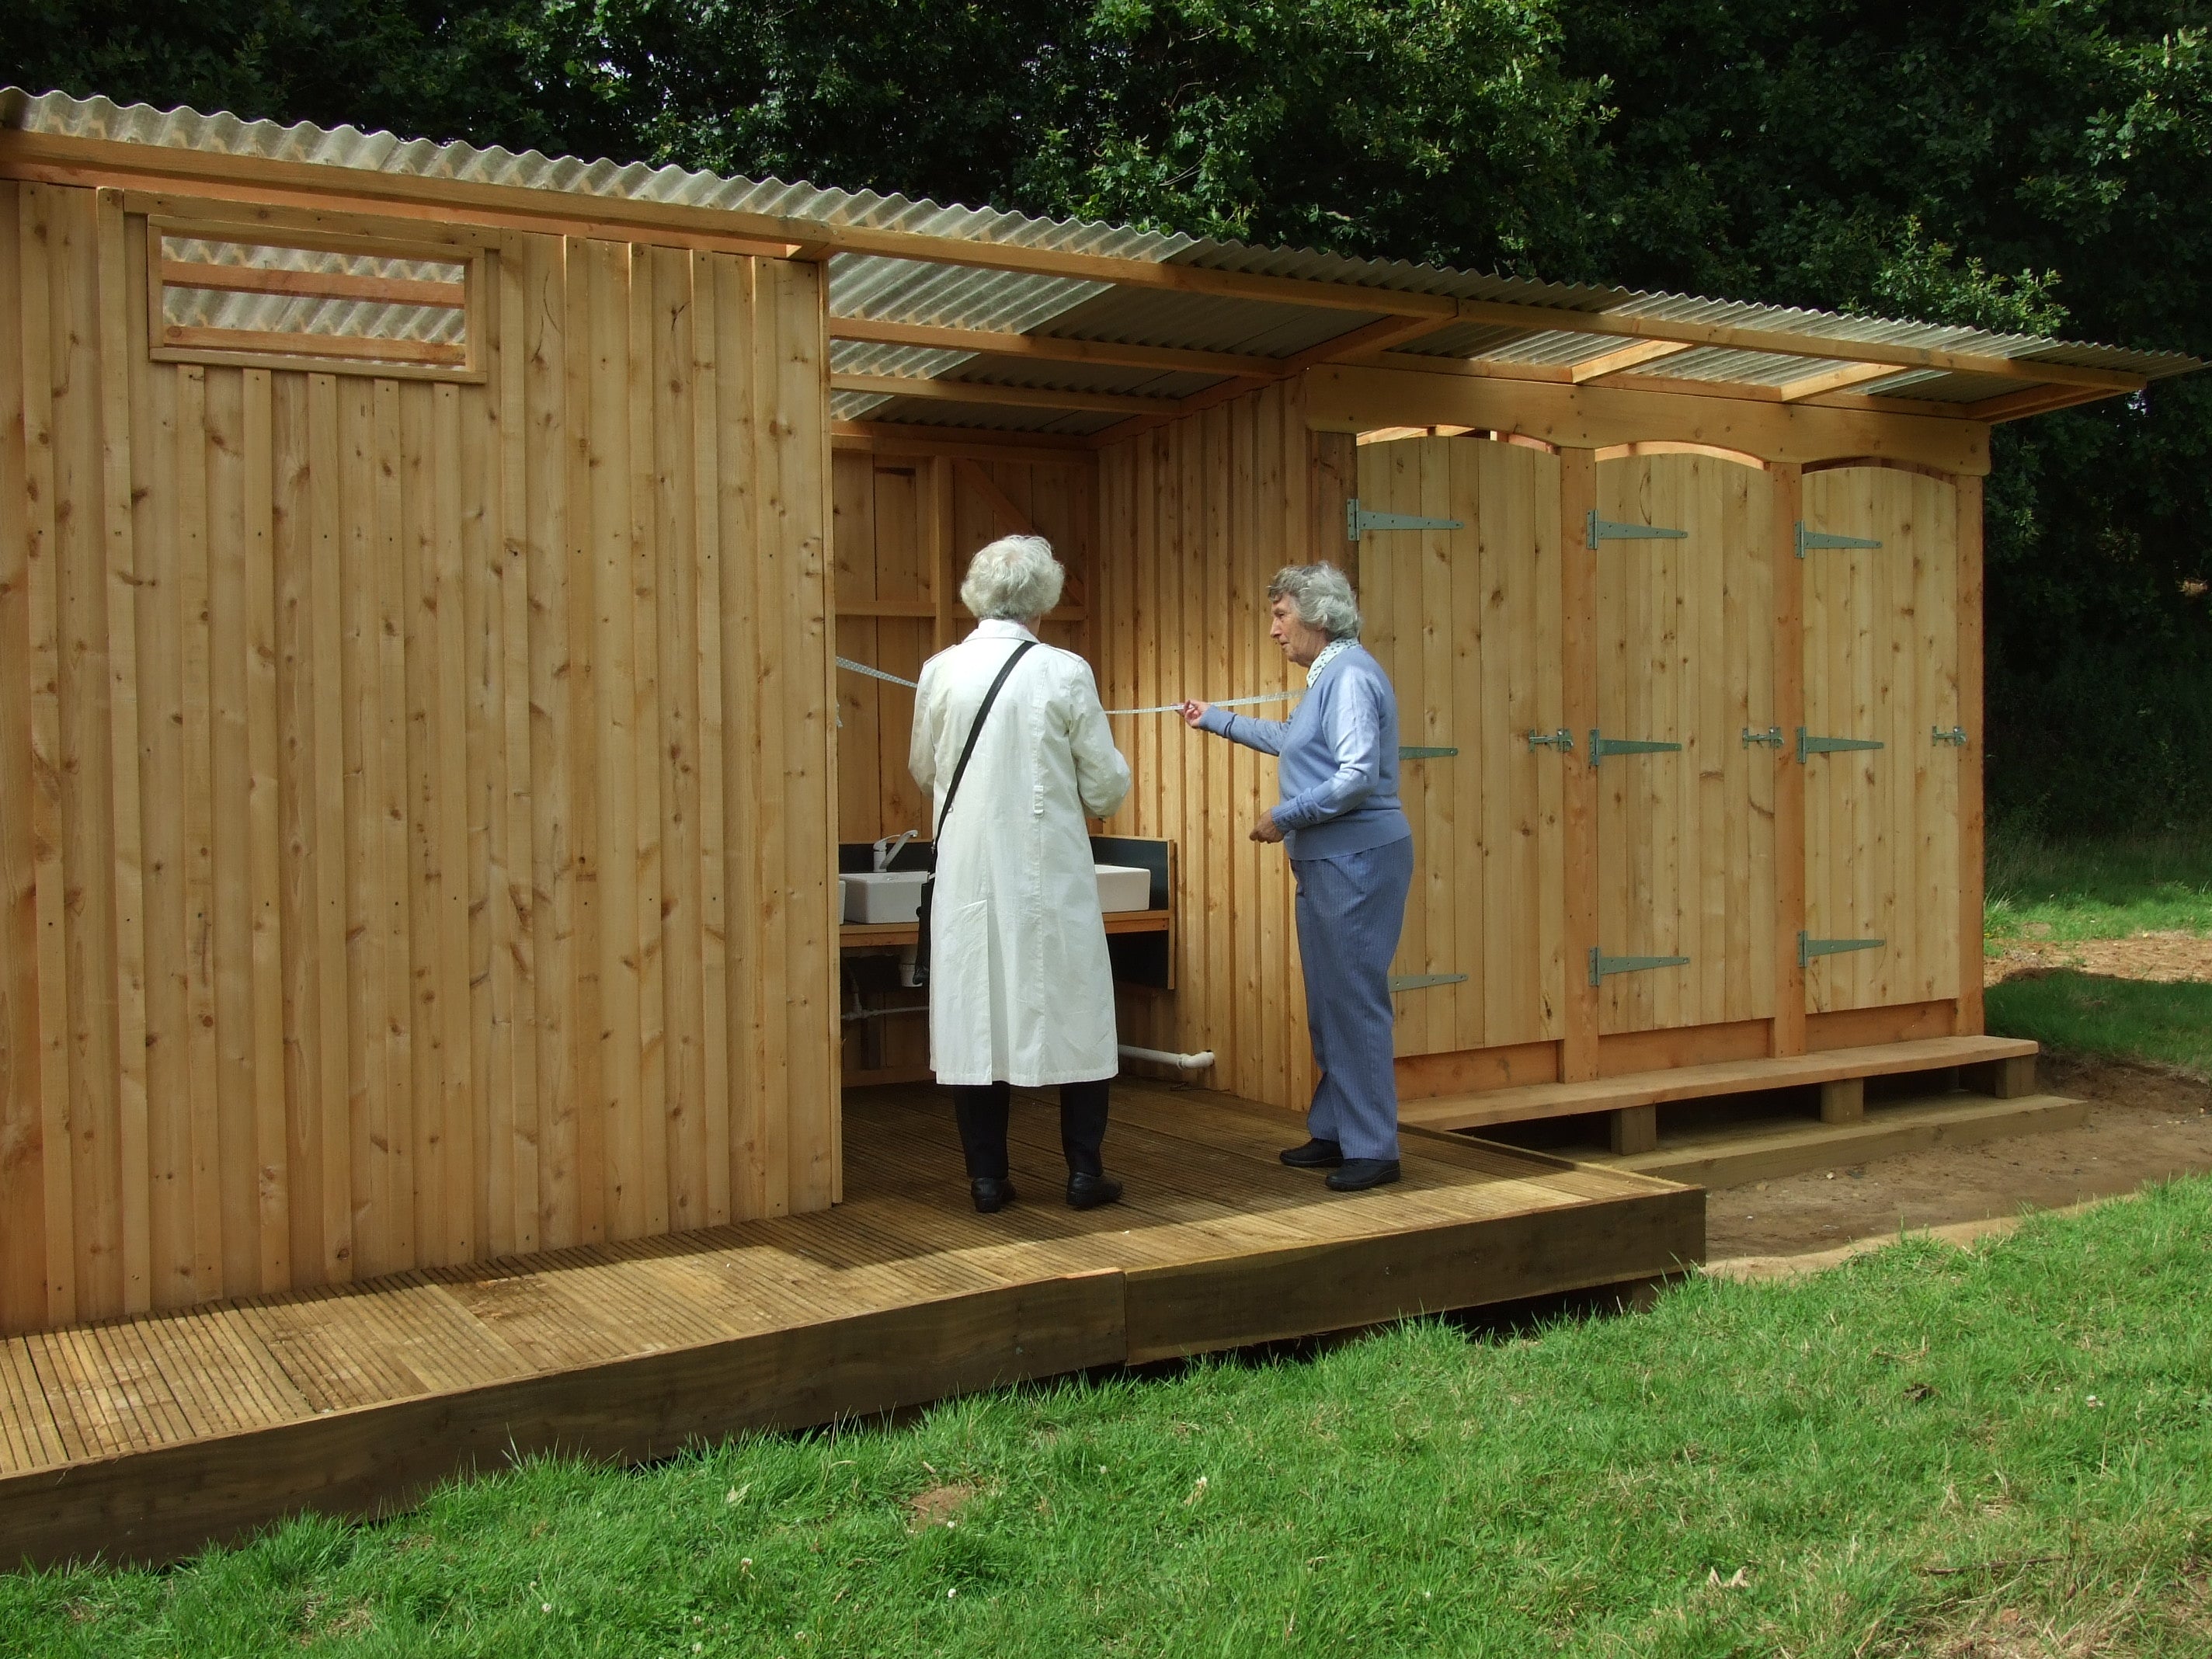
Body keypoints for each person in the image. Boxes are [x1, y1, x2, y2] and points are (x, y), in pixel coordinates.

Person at [910, 534, 1134, 1215]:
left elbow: (925, 770)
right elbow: (1104, 788)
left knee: (974, 1012)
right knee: (1079, 1007)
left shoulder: (940, 669)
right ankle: (1083, 1175)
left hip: (969, 866)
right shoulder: (1064, 671)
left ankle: (986, 1179)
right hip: (1051, 871)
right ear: (1045, 598)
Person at [1181, 563, 1413, 1191]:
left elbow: (1357, 774)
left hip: (1356, 860)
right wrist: (1215, 718)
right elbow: (1294, 739)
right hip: (1329, 860)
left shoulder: (1351, 676)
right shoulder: (1329, 677)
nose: (1274, 630)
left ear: (1319, 616)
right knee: (1329, 1003)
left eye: (1281, 615)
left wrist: (1285, 816)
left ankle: (1374, 1149)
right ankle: (1338, 1130)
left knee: (1354, 1004)